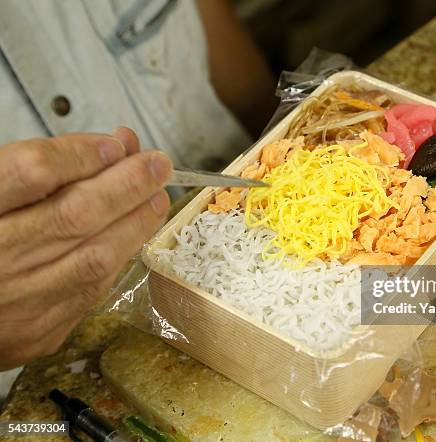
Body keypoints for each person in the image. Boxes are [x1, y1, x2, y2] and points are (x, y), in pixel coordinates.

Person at [0, 0, 277, 372]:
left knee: (381, 318)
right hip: (67, 373)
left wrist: (285, 143)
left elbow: (238, 75)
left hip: (273, 242)